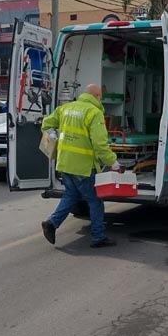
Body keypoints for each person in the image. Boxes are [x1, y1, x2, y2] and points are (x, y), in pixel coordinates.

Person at [40, 83, 121, 248]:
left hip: (64, 163)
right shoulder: (94, 113)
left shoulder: (65, 108)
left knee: (71, 195)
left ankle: (51, 223)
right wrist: (113, 162)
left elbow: (46, 124)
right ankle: (98, 237)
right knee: (95, 201)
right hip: (82, 167)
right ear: (97, 96)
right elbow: (100, 145)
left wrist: (56, 137)